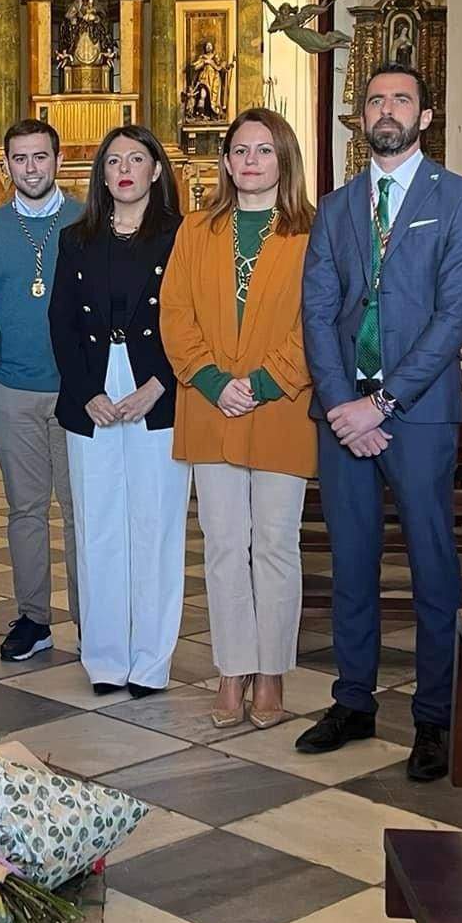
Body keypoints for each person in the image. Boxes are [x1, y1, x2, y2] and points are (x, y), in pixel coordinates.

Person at [297, 65, 462, 784]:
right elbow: (317, 310)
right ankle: (354, 701)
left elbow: (452, 316)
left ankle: (436, 715)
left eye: (401, 100)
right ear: (361, 117)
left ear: (425, 115)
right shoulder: (337, 207)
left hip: (419, 413)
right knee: (351, 561)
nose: (387, 110)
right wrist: (346, 404)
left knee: (433, 565)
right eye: (375, 100)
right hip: (343, 414)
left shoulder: (460, 201)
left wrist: (383, 404)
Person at [160, 107, 316, 730]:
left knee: (276, 545)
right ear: (225, 162)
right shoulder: (195, 230)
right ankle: (232, 670)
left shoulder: (311, 231)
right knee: (224, 547)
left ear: (284, 160)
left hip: (282, 407)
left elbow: (319, 319)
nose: (251, 161)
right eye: (241, 151)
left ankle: (272, 670)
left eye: (264, 151)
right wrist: (214, 381)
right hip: (210, 407)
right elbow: (174, 313)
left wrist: (268, 380)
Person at [48, 125, 189, 696]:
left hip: (158, 395)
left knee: (155, 527)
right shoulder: (76, 238)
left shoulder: (183, 236)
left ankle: (151, 663)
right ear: (101, 175)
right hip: (94, 397)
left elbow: (192, 321)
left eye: (137, 158)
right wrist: (88, 392)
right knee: (99, 527)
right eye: (113, 161)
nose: (124, 168)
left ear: (157, 169)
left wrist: (159, 384)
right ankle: (105, 660)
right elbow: (61, 322)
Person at [0, 119, 81, 663]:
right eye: (20, 159)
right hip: (11, 389)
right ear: (6, 164)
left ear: (57, 160)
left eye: (40, 157)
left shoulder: (87, 220)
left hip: (80, 390)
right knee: (27, 511)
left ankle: (91, 617)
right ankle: (35, 618)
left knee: (82, 509)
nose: (31, 168)